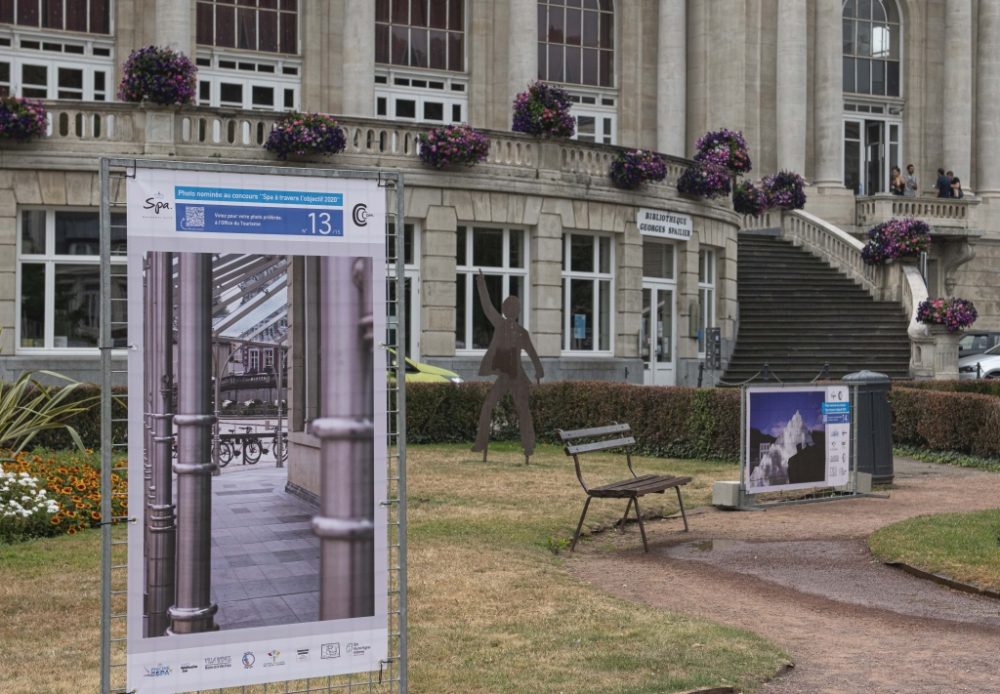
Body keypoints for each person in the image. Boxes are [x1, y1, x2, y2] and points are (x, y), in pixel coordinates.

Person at [471, 269, 544, 457]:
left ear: (517, 312)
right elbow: (487, 307)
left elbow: (533, 354)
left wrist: (539, 371)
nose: (510, 312)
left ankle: (528, 446)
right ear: (504, 310)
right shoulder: (499, 324)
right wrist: (481, 284)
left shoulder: (522, 333)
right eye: (507, 309)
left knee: (523, 410)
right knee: (488, 406)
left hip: (517, 376)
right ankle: (481, 443)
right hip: (503, 375)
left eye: (513, 309)